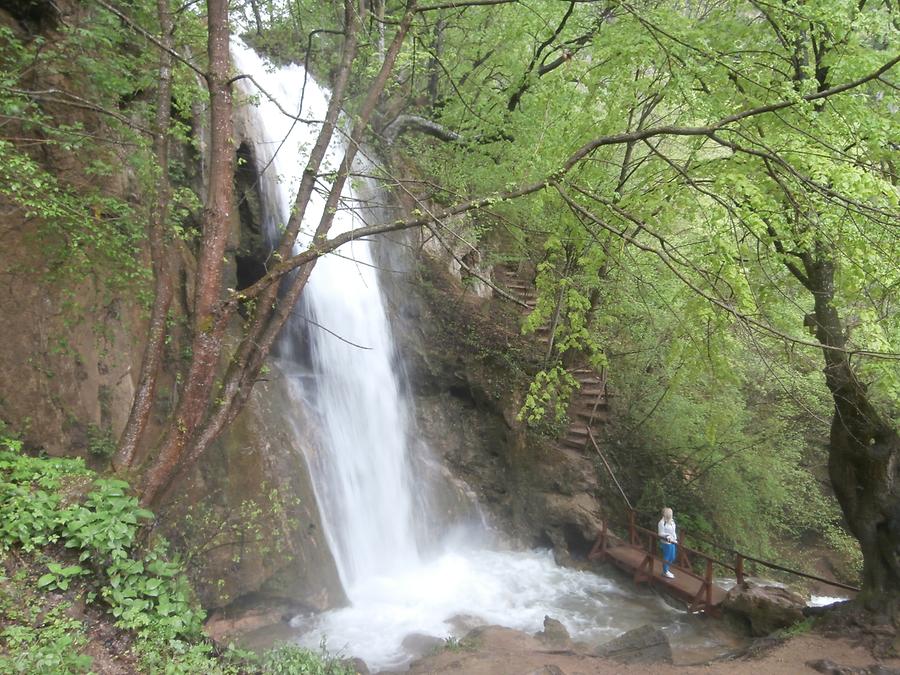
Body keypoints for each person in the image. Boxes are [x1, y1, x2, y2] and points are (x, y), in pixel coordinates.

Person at [658, 507, 677, 579]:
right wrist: (667, 536)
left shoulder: (672, 521)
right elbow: (660, 533)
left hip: (673, 541)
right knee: (667, 556)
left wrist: (675, 538)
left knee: (672, 556)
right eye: (669, 513)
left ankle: (667, 569)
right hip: (666, 542)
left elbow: (673, 531)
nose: (670, 514)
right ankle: (665, 571)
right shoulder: (662, 522)